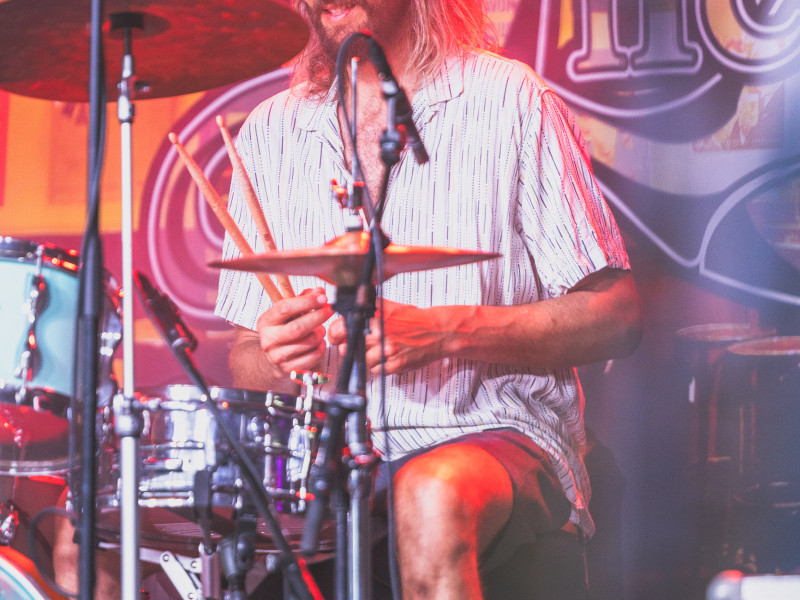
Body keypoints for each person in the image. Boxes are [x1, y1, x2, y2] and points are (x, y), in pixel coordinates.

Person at [214, 0, 643, 598]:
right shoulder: (269, 131)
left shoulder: (510, 99)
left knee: (429, 493)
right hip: (327, 462)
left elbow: (616, 314)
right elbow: (246, 357)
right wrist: (281, 355)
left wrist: (446, 331)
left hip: (493, 433)